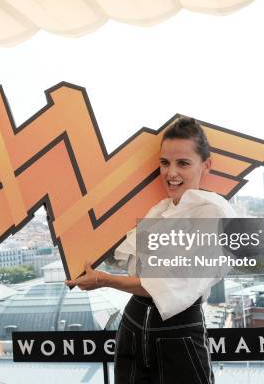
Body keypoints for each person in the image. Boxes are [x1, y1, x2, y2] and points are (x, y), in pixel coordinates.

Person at [65, 117, 235, 384]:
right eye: (165, 163)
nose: (171, 173)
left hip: (178, 331)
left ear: (207, 165)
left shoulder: (215, 212)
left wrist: (104, 280)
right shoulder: (159, 210)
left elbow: (171, 283)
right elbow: (126, 257)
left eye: (183, 163)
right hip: (132, 325)